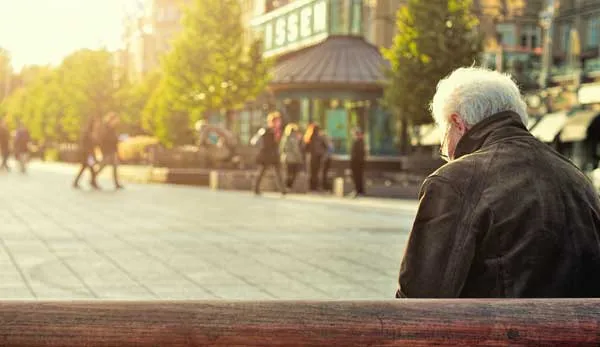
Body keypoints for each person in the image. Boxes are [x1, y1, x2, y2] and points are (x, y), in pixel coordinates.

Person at [397, 67, 600, 298]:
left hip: (494, 333)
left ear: (458, 123)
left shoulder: (454, 182)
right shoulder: (577, 178)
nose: (446, 152)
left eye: (444, 138)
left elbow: (419, 298)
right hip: (580, 333)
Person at [252, 111, 286, 196]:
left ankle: (283, 190)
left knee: (278, 172)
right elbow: (257, 141)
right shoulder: (265, 130)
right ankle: (256, 188)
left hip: (274, 155)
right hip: (266, 155)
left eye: (279, 121)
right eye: (277, 121)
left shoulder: (278, 131)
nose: (279, 123)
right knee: (262, 172)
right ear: (272, 121)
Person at [95, 112, 124, 190]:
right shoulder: (105, 128)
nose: (117, 122)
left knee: (115, 166)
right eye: (115, 120)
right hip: (107, 150)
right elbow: (103, 139)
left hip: (112, 150)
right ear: (111, 120)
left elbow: (113, 139)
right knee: (103, 165)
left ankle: (116, 183)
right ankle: (93, 178)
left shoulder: (112, 128)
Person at [73, 117, 100, 189]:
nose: (97, 124)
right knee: (91, 169)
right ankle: (93, 183)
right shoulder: (87, 132)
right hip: (87, 154)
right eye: (96, 123)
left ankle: (76, 182)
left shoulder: (92, 132)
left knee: (85, 168)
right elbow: (85, 143)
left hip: (89, 154)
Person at [303, 123, 327, 192]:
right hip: (315, 157)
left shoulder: (310, 137)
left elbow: (305, 148)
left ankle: (313, 187)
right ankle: (314, 186)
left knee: (314, 172)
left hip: (314, 157)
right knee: (315, 172)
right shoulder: (311, 137)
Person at [279, 123, 304, 190]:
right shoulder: (293, 138)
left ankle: (287, 186)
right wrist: (300, 158)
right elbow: (295, 149)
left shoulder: (284, 137)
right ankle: (288, 186)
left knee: (288, 173)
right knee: (292, 173)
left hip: (285, 158)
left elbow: (281, 148)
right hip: (292, 158)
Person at [349, 128, 365, 198]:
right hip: (357, 162)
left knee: (358, 177)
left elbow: (358, 154)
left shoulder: (359, 142)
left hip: (357, 163)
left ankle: (359, 191)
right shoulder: (358, 142)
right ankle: (359, 190)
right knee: (357, 177)